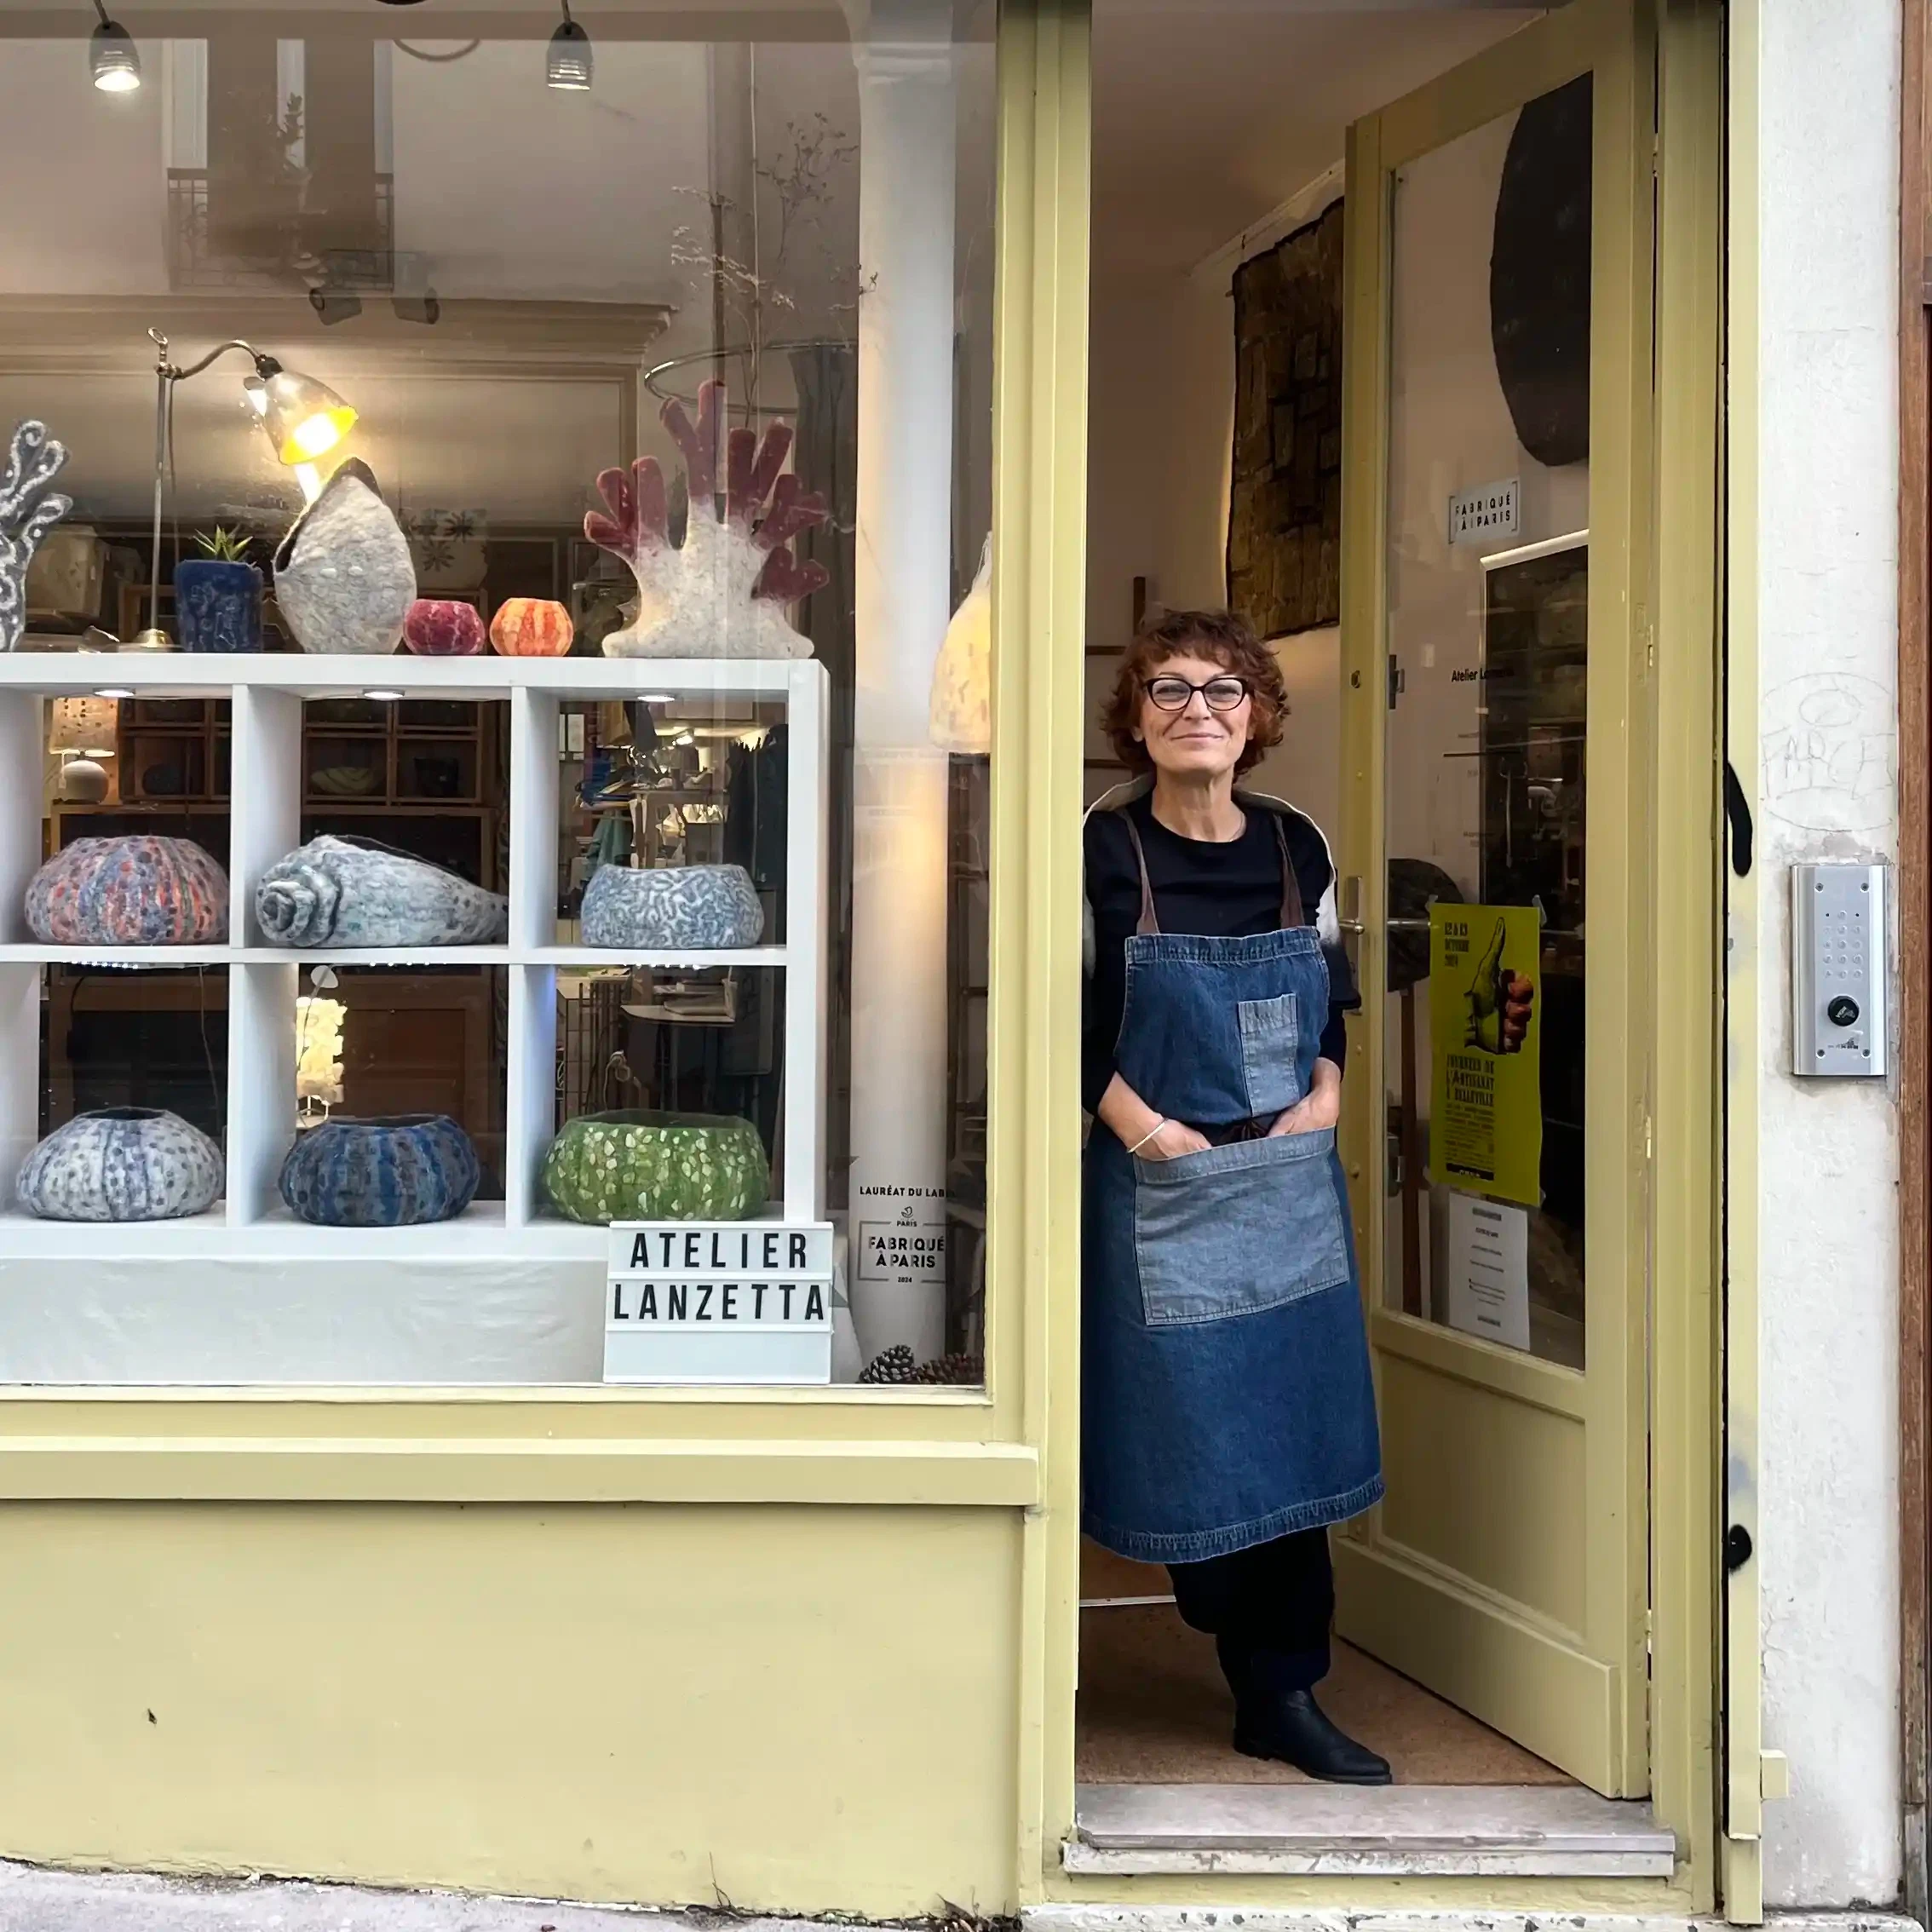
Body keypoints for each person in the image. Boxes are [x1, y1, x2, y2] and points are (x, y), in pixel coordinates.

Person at [1082, 608, 1524, 1786]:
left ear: (1259, 718)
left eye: (1223, 692)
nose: (1198, 712)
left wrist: (1328, 1093)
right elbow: (1066, 1019)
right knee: (1186, 1434)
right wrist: (1144, 1128)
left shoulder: (1298, 847)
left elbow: (1329, 998)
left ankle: (1281, 1693)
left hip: (1282, 1179)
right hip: (1158, 1185)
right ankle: (1222, 1629)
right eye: (1169, 691)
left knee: (1291, 1439)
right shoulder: (1100, 852)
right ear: (1135, 719)